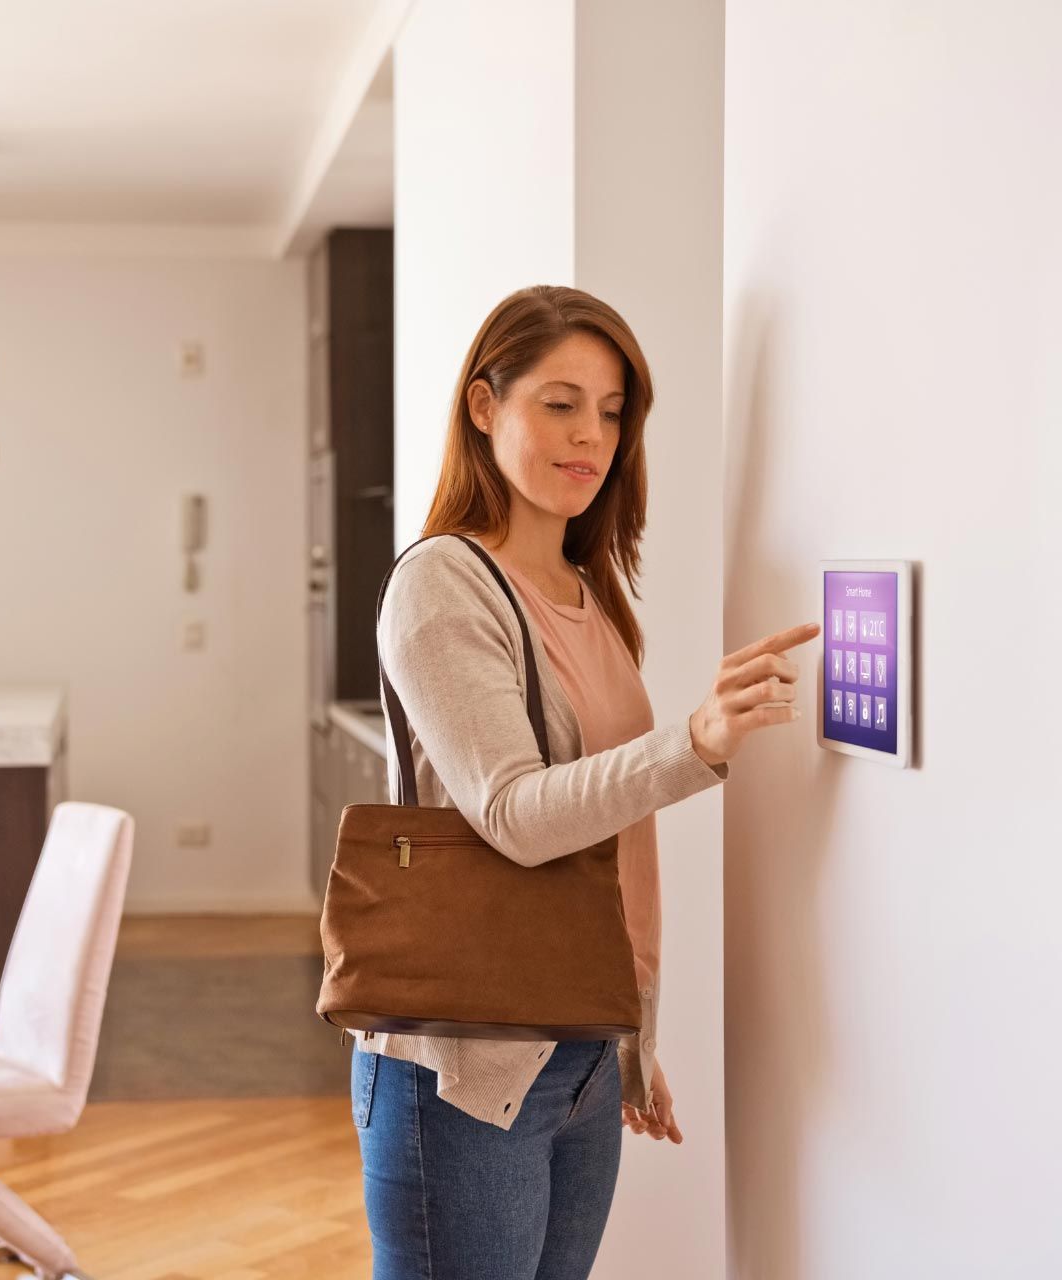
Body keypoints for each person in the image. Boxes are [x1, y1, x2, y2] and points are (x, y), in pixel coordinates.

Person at [354, 285, 820, 1280]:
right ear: (485, 405)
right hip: (466, 1074)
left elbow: (616, 850)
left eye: (613, 411)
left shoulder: (585, 593)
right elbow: (517, 814)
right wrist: (695, 739)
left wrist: (630, 1036)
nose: (591, 436)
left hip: (579, 1054)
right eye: (560, 402)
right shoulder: (443, 581)